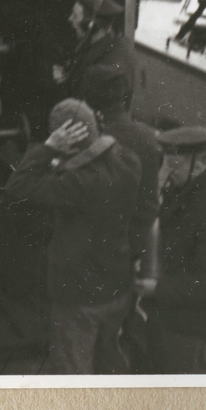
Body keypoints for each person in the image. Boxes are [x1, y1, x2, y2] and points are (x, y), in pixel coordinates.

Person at [4, 99, 141, 374]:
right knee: (108, 361)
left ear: (66, 138)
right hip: (117, 287)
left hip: (79, 298)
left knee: (72, 370)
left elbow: (17, 186)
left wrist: (47, 149)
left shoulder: (78, 183)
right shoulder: (129, 161)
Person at [135, 126, 206, 374]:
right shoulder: (184, 187)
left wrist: (156, 289)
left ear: (202, 161)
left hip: (194, 327)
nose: (166, 171)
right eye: (165, 162)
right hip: (172, 314)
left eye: (174, 164)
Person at [79, 63, 162, 269]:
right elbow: (149, 206)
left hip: (86, 256)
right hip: (128, 253)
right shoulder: (148, 139)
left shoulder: (85, 138)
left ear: (87, 98)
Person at [54, 0, 139, 106]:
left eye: (75, 16)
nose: (70, 19)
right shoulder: (104, 43)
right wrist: (67, 76)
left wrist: (64, 86)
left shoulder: (104, 69)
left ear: (92, 25)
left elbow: (86, 108)